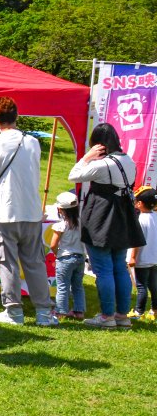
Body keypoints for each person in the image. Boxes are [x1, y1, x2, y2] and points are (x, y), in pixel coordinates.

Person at [0, 97, 57, 327]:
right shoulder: (31, 142)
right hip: (31, 209)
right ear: (16, 115)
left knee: (7, 262)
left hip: (5, 209)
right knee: (35, 262)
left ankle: (13, 310)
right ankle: (44, 312)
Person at [69, 123, 144, 328]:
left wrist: (87, 157)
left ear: (98, 144)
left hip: (101, 216)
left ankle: (107, 316)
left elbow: (73, 175)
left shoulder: (102, 165)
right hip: (123, 217)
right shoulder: (128, 160)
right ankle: (122, 315)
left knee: (103, 269)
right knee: (119, 265)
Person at [50, 191, 85, 321]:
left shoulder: (60, 225)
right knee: (77, 285)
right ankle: (79, 311)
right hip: (80, 257)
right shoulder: (82, 223)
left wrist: (57, 254)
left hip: (65, 257)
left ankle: (60, 311)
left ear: (60, 209)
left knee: (63, 285)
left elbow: (53, 244)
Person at [129, 188, 157, 319]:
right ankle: (155, 310)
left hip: (143, 259)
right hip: (154, 258)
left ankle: (138, 312)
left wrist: (133, 257)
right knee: (154, 285)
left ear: (140, 203)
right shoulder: (155, 217)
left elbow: (137, 241)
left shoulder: (141, 220)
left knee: (141, 287)